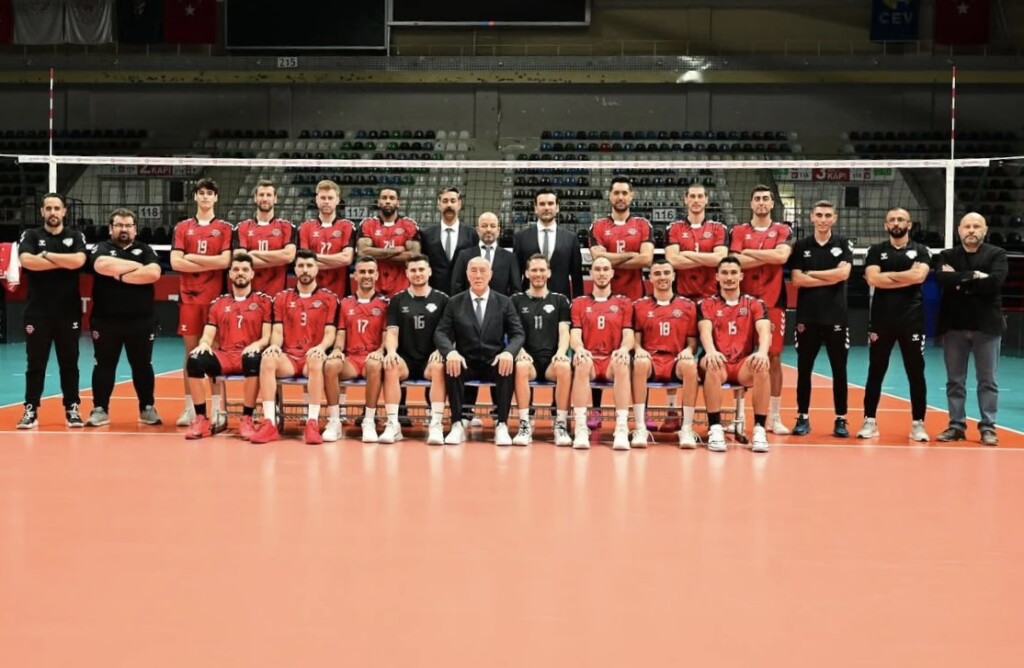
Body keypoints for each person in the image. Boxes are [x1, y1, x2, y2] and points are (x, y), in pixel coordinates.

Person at [433, 256, 525, 446]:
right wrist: (450, 352)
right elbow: (441, 332)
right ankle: (457, 423)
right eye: (473, 271)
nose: (478, 275)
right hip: (466, 360)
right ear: (467, 274)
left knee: (507, 365)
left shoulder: (504, 302)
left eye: (483, 271)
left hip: (494, 360)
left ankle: (502, 424)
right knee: (452, 364)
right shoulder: (454, 302)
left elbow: (518, 334)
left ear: (490, 274)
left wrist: (509, 352)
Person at [84, 208, 163, 428]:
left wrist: (117, 274)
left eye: (128, 225)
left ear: (135, 229)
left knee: (142, 365)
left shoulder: (145, 249)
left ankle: (147, 407)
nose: (124, 229)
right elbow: (101, 265)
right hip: (106, 320)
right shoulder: (101, 247)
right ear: (111, 229)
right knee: (104, 365)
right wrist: (137, 268)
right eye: (119, 225)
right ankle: (100, 409)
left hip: (141, 320)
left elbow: (153, 273)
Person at [249, 250, 338, 445]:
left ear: (317, 269)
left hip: (311, 357)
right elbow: (277, 330)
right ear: (295, 269)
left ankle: (312, 423)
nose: (305, 270)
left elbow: (331, 332)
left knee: (316, 360)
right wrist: (275, 346)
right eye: (301, 266)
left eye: (309, 266)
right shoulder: (281, 298)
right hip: (289, 358)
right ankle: (270, 423)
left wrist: (322, 347)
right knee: (267, 358)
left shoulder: (329, 298)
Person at [933, 212, 1007, 445]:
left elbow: (995, 282)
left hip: (987, 327)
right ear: (959, 230)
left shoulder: (997, 254)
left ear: (985, 230)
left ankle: (988, 427)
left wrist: (959, 280)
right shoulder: (947, 255)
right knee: (955, 381)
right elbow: (942, 280)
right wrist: (976, 276)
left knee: (988, 380)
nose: (972, 230)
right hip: (954, 326)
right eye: (967, 226)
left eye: (976, 226)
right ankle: (956, 425)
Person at [858, 207, 932, 441]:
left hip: (912, 320)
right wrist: (906, 277)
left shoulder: (921, 250)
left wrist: (887, 278)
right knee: (876, 371)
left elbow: (919, 277)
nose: (896, 223)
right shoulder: (876, 250)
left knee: (915, 372)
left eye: (901, 219)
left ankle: (918, 424)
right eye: (892, 220)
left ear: (909, 225)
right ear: (886, 225)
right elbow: (872, 278)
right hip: (882, 320)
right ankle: (870, 421)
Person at [182, 253, 272, 440]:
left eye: (245, 269)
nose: (240, 273)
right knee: (194, 360)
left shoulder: (263, 301)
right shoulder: (218, 303)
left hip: (248, 354)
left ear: (252, 274)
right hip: (225, 356)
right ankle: (201, 419)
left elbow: (267, 337)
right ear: (230, 274)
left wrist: (257, 345)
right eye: (236, 269)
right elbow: (208, 333)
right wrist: (204, 343)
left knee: (253, 358)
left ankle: (247, 418)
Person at [16, 193, 87, 429]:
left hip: (68, 312)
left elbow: (78, 261)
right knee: (35, 363)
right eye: (48, 208)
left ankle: (72, 408)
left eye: (57, 208)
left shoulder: (75, 235)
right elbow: (27, 261)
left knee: (70, 363)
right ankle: (30, 409)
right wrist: (62, 261)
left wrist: (46, 256)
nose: (53, 212)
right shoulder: (31, 235)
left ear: (64, 211)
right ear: (42, 211)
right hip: (37, 312)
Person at [589, 176, 654, 431]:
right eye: (616, 192)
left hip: (636, 299)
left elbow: (646, 259)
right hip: (603, 299)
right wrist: (630, 255)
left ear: (631, 196)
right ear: (609, 196)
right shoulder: (598, 225)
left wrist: (611, 258)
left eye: (624, 193)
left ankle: (641, 411)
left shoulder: (642, 224)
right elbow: (598, 260)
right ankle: (595, 410)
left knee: (639, 354)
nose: (620, 197)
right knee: (597, 350)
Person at [663, 182, 729, 433]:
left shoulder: (718, 228)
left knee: (719, 354)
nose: (696, 200)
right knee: (674, 353)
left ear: (707, 200)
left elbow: (720, 259)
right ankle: (672, 412)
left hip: (712, 301)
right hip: (682, 299)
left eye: (700, 196)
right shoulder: (675, 228)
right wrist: (705, 258)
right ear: (685, 199)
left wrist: (687, 255)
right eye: (692, 196)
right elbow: (672, 260)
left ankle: (721, 414)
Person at [170, 178, 233, 428]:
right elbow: (176, 262)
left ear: (216, 198)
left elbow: (224, 262)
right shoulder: (183, 227)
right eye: (201, 193)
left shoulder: (224, 228)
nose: (205, 196)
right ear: (195, 196)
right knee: (190, 354)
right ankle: (190, 409)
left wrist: (192, 258)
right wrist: (210, 261)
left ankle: (218, 409)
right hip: (189, 298)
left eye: (210, 193)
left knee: (215, 353)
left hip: (216, 300)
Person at [729, 185, 792, 434]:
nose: (762, 202)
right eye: (757, 199)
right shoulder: (738, 230)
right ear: (751, 203)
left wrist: (750, 253)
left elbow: (782, 257)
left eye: (766, 198)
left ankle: (774, 416)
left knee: (773, 356)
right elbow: (735, 262)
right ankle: (739, 416)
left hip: (773, 300)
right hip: (743, 302)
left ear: (772, 204)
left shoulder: (783, 229)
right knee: (738, 356)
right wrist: (769, 254)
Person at [788, 201, 853, 437]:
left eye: (827, 215)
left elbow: (843, 274)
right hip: (808, 316)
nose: (823, 219)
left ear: (834, 218)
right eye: (819, 215)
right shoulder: (801, 245)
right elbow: (797, 279)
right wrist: (830, 276)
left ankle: (841, 419)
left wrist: (812, 274)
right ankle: (802, 417)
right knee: (804, 369)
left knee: (840, 370)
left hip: (836, 316)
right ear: (811, 217)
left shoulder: (843, 243)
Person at [698, 257, 772, 453]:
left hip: (741, 365)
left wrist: (762, 352)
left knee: (762, 366)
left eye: (733, 273)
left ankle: (759, 430)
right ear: (717, 277)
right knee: (712, 364)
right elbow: (705, 330)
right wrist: (711, 351)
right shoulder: (707, 304)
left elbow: (764, 330)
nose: (729, 277)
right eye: (724, 273)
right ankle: (715, 428)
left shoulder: (755, 303)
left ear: (741, 276)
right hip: (719, 361)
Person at [631, 259, 700, 448]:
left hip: (675, 360)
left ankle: (686, 428)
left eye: (666, 273)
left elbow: (692, 343)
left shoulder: (687, 306)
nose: (662, 277)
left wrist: (688, 350)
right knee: (639, 363)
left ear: (674, 276)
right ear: (650, 278)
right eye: (657, 273)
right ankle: (640, 428)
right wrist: (639, 349)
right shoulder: (639, 305)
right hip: (651, 360)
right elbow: (635, 339)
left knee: (690, 365)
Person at [381, 254, 449, 445]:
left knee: (439, 367)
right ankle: (393, 424)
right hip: (406, 358)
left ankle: (436, 424)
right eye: (413, 270)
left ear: (429, 271)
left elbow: (448, 332)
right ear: (407, 273)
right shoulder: (397, 300)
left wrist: (441, 350)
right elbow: (392, 332)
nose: (417, 273)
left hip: (430, 358)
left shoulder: (442, 299)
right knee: (390, 365)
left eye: (421, 269)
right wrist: (391, 352)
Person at [569, 257, 635, 450]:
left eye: (606, 269)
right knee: (581, 361)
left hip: (611, 359)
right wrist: (579, 349)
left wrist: (624, 349)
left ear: (612, 273)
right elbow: (575, 334)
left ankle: (621, 427)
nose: (602, 273)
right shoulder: (579, 302)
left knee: (622, 362)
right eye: (597, 269)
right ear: (591, 273)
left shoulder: (624, 302)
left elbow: (628, 334)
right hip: (590, 358)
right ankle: (581, 427)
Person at [322, 256, 389, 443]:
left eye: (370, 272)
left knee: (375, 365)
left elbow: (387, 335)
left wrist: (380, 351)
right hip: (351, 359)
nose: (366, 275)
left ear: (377, 275)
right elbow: (341, 333)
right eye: (362, 272)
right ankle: (334, 421)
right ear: (355, 275)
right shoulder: (345, 303)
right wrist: (337, 349)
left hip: (371, 359)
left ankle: (369, 421)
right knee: (330, 365)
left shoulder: (385, 303)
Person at [511, 254, 573, 446]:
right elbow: (513, 332)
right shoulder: (516, 300)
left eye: (542, 270)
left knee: (564, 367)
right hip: (528, 358)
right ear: (527, 273)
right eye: (534, 270)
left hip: (550, 361)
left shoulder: (560, 300)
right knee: (520, 366)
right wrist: (519, 351)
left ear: (549, 273)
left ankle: (560, 424)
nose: (538, 274)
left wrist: (561, 353)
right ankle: (524, 424)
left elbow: (564, 331)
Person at [512, 189, 584, 299]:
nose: (546, 207)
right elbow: (516, 275)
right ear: (535, 208)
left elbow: (577, 276)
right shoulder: (521, 237)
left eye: (550, 203)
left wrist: (578, 302)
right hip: (528, 301)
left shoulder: (571, 238)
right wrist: (516, 300)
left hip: (561, 300)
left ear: (557, 207)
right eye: (542, 204)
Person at [232, 179, 297, 295]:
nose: (265, 199)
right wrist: (278, 259)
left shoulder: (287, 227)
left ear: (275, 199)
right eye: (261, 195)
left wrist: (253, 254)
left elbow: (289, 256)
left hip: (277, 295)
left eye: (269, 195)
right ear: (255, 198)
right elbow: (241, 261)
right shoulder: (242, 227)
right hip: (249, 296)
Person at [297, 179, 357, 299]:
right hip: (311, 293)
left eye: (330, 198)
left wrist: (313, 258)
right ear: (316, 199)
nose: (326, 201)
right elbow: (304, 262)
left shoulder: (347, 226)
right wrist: (336, 260)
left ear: (337, 200)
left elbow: (346, 259)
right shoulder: (305, 227)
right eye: (323, 198)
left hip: (340, 292)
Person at [356, 187, 421, 296]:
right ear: (378, 202)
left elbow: (414, 256)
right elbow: (362, 252)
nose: (387, 201)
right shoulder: (368, 224)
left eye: (392, 198)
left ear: (398, 203)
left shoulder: (409, 224)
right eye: (384, 198)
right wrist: (394, 250)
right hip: (374, 286)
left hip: (401, 286)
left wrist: (377, 254)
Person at [420, 187, 478, 294]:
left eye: (453, 201)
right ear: (439, 205)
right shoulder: (427, 234)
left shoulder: (472, 234)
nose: (449, 205)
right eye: (445, 201)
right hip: (434, 293)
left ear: (459, 204)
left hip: (464, 293)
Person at [451, 212, 520, 296]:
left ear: (498, 231)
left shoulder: (510, 258)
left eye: (493, 226)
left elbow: (515, 289)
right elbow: (457, 285)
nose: (488, 229)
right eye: (484, 226)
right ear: (477, 230)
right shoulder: (464, 255)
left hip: (500, 304)